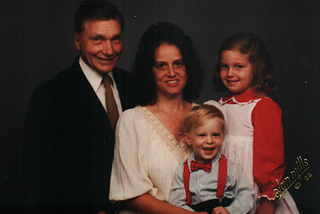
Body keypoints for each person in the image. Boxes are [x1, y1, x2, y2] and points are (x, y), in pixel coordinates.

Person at [22, 0, 134, 213]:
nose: (108, 50)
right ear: (77, 40)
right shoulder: (49, 96)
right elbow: (38, 184)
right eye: (98, 39)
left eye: (115, 39)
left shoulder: (134, 85)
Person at [109, 22, 207, 214]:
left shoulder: (206, 115)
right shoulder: (132, 121)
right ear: (149, 72)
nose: (171, 73)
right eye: (161, 65)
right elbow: (131, 195)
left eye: (178, 63)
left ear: (188, 67)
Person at [208, 33, 299, 214]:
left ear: (256, 69)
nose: (230, 73)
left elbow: (271, 160)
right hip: (225, 191)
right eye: (224, 67)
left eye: (238, 66)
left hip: (255, 192)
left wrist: (267, 201)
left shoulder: (262, 106)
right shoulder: (218, 105)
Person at [169, 104, 255, 214]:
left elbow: (247, 195)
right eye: (202, 135)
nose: (209, 141)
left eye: (215, 135)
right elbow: (176, 202)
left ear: (223, 137)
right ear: (188, 139)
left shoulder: (230, 168)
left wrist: (230, 211)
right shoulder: (182, 171)